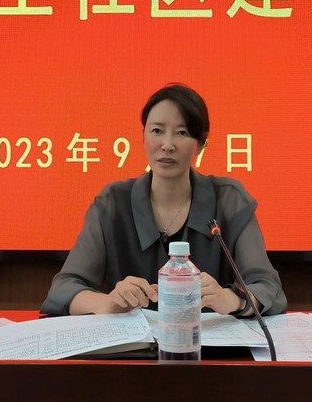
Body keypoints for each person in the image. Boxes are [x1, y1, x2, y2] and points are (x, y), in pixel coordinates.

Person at [40, 84, 287, 317]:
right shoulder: (112, 203)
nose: (167, 145)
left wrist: (232, 300)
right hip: (135, 346)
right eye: (157, 131)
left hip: (208, 346)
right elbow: (64, 288)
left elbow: (268, 288)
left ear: (201, 144)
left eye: (182, 133)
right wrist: (107, 303)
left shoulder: (230, 200)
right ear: (143, 136)